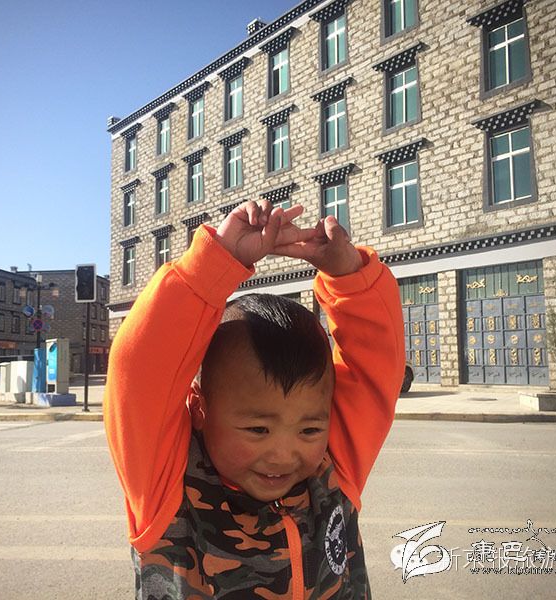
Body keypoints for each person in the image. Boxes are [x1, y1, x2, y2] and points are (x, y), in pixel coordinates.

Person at [104, 200, 404, 598]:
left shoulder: (333, 470)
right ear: (201, 408)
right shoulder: (168, 483)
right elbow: (141, 368)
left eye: (309, 430)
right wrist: (215, 263)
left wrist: (350, 276)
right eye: (258, 429)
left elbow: (375, 366)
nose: (283, 454)